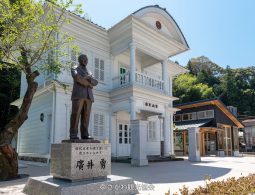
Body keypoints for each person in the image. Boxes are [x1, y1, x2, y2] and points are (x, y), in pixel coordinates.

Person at [69, 54, 98, 140]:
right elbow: (77, 78)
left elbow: (95, 82)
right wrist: (89, 83)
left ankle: (85, 134)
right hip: (78, 95)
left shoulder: (89, 71)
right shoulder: (75, 67)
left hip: (89, 96)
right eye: (83, 59)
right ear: (79, 60)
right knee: (76, 114)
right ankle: (73, 135)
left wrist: (89, 78)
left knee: (86, 116)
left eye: (86, 59)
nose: (85, 61)